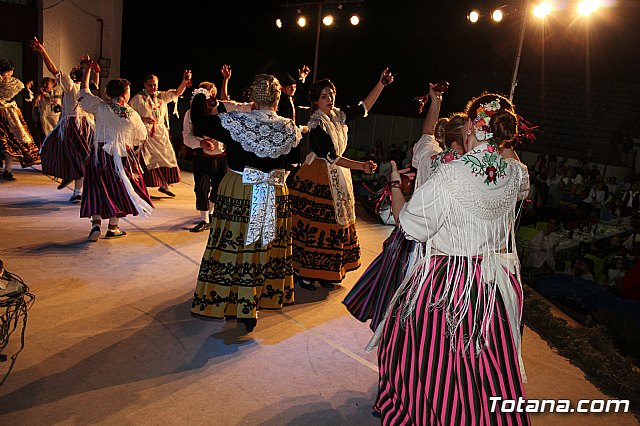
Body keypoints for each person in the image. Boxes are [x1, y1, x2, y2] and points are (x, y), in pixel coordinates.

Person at [373, 93, 530, 425]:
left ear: (473, 125)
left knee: (427, 359)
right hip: (493, 285)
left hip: (449, 282)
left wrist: (395, 185)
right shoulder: (515, 173)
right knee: (488, 366)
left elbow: (410, 226)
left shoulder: (451, 174)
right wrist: (498, 145)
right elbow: (522, 183)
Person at [189, 74, 302, 332]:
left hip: (241, 187)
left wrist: (200, 94)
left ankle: (233, 302)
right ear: (277, 98)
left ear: (252, 98)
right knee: (261, 247)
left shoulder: (235, 122)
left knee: (236, 246)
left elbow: (199, 121)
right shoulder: (289, 127)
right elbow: (295, 159)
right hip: (273, 189)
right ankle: (251, 304)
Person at [343, 83, 457, 331]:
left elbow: (427, 133)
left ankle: (395, 334)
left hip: (414, 237)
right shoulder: (471, 170)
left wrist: (435, 100)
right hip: (445, 248)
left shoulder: (432, 158)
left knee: (399, 295)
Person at [288, 68, 394, 290]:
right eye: (324, 96)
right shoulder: (317, 125)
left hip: (338, 175)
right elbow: (332, 157)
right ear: (316, 101)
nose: (330, 98)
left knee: (336, 225)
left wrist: (381, 84)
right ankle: (305, 272)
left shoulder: (337, 115)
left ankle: (327, 271)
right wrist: (361, 166)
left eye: (331, 94)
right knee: (316, 225)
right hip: (319, 174)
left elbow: (364, 108)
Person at [77, 61, 153, 241]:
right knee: (118, 189)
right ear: (125, 94)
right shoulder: (132, 114)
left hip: (100, 153)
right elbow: (141, 136)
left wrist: (86, 71)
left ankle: (96, 224)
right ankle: (113, 227)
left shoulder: (101, 107)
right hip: (122, 155)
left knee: (96, 187)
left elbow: (84, 93)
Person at [182, 72, 253, 233]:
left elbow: (238, 106)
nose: (212, 99)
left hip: (221, 157)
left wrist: (255, 106)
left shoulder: (222, 107)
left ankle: (211, 212)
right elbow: (186, 136)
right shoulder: (191, 114)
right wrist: (200, 142)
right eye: (207, 95)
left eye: (213, 94)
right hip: (202, 157)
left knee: (219, 188)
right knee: (201, 187)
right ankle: (204, 218)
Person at [31, 38, 97, 202]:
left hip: (84, 125)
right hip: (72, 125)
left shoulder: (85, 88)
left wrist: (91, 69)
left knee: (84, 157)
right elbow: (53, 69)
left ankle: (78, 188)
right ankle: (75, 186)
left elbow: (91, 86)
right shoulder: (71, 85)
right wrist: (42, 51)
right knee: (73, 155)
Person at [129, 71, 191, 197]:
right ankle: (142, 187)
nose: (153, 88)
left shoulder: (161, 96)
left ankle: (164, 185)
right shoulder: (138, 99)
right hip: (146, 133)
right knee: (149, 160)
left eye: (155, 85)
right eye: (150, 85)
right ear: (145, 85)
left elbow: (176, 93)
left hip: (160, 132)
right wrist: (143, 119)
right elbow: (130, 115)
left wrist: (184, 81)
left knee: (166, 157)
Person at [0, 59, 40, 181]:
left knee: (3, 141)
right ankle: (8, 170)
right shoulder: (14, 82)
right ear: (11, 71)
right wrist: (27, 87)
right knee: (12, 140)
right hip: (9, 112)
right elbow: (27, 96)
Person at [32, 77, 62, 142]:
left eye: (47, 83)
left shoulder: (58, 93)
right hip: (45, 119)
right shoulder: (40, 95)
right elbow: (34, 103)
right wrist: (39, 95)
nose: (45, 85)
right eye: (43, 84)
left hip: (56, 119)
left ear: (52, 84)